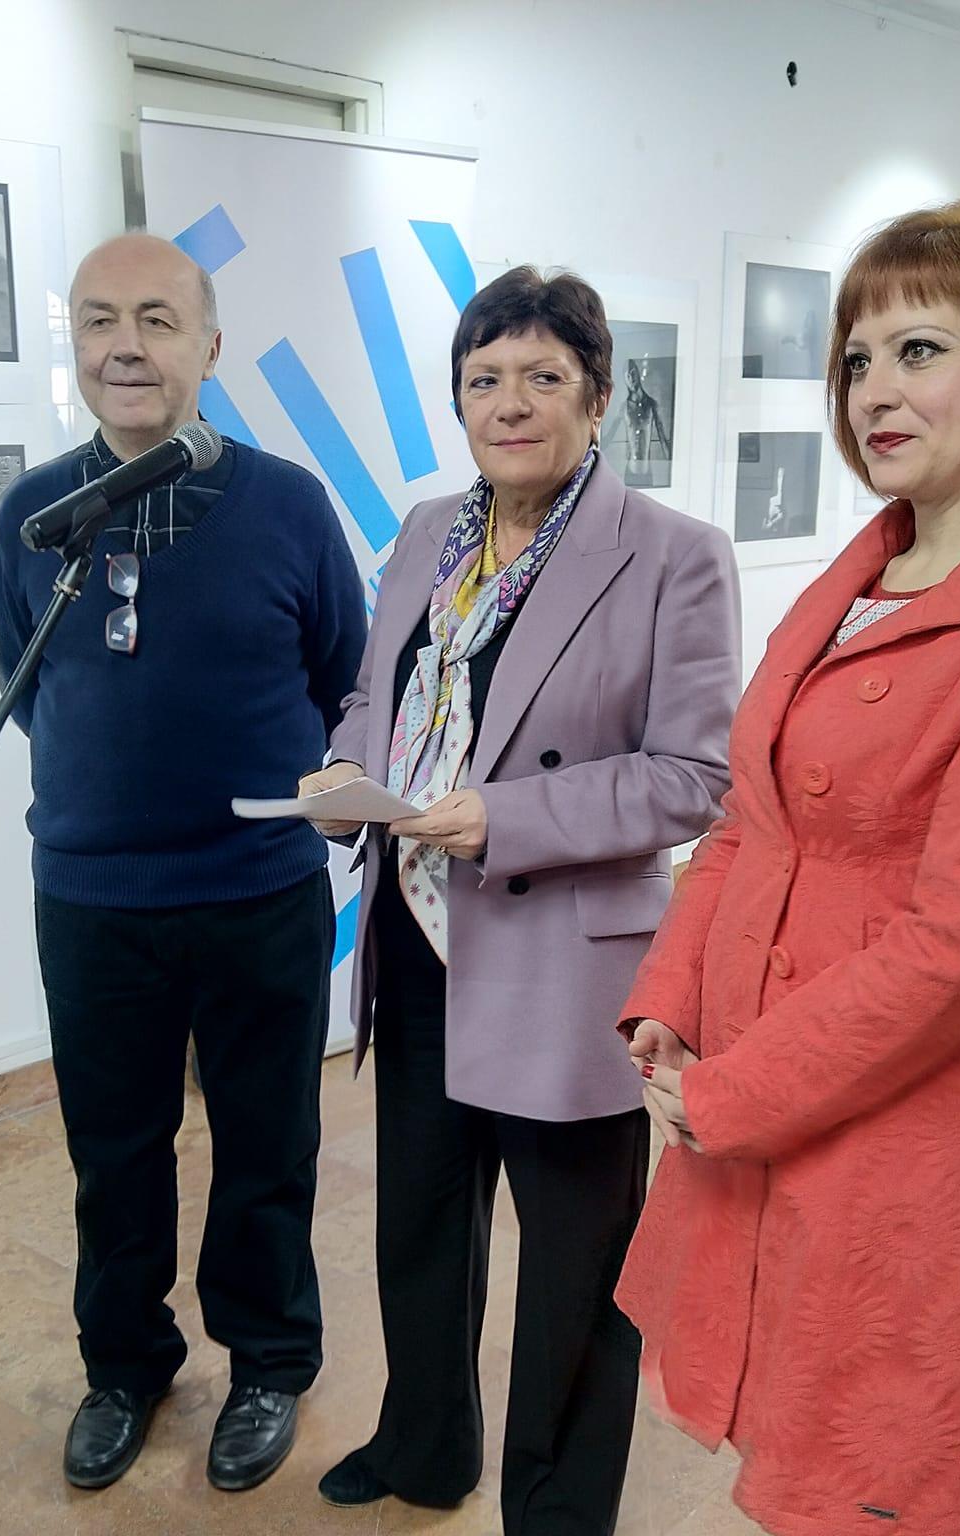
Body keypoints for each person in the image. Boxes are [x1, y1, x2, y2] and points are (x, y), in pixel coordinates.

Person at [616, 199, 960, 1536]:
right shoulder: (862, 570)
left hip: (892, 1128)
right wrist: (668, 1002)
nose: (873, 392)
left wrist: (732, 1091)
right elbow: (747, 821)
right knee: (779, 1441)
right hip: (751, 1073)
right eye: (857, 359)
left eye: (919, 350)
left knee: (866, 1477)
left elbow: (957, 953)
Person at [301, 266, 740, 1535]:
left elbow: (693, 774)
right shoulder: (425, 530)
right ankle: (425, 1442)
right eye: (484, 379)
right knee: (419, 1227)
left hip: (565, 960)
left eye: (543, 377)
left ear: (596, 398)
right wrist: (345, 773)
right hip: (419, 938)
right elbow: (374, 701)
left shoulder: (671, 556)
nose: (511, 403)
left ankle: (554, 1509)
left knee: (573, 1272)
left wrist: (510, 817)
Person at [0, 232, 367, 1497]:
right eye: (100, 321)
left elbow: (338, 677)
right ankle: (125, 1366)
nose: (125, 346)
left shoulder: (287, 505)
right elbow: (29, 685)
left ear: (207, 345)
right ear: (75, 349)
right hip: (94, 901)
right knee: (114, 1148)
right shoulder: (32, 516)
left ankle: (266, 1362)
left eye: (156, 318)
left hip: (256, 892)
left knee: (266, 1142)